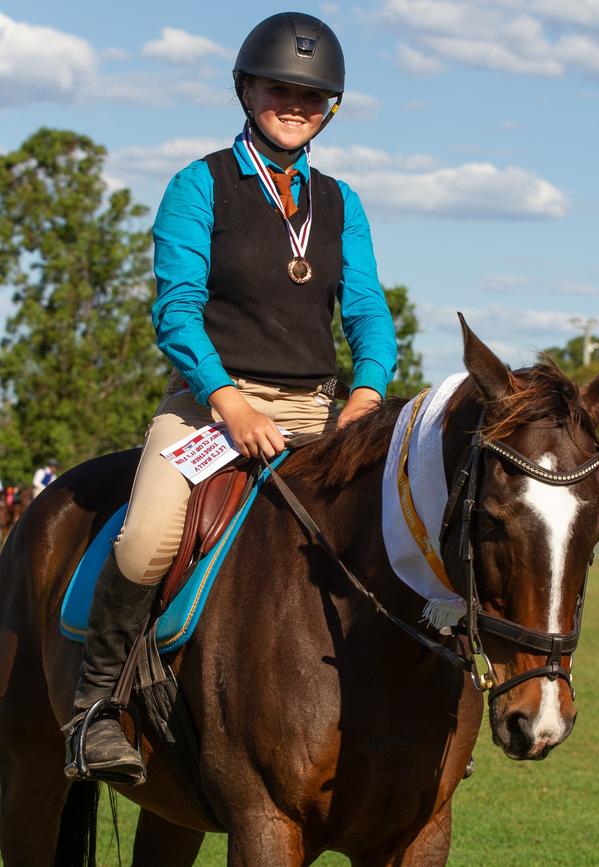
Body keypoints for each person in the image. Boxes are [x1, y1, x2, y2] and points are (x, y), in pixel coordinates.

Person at [64, 11, 397, 784]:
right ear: (246, 89)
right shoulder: (199, 184)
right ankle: (95, 712)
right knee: (147, 536)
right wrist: (227, 399)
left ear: (330, 110)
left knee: (394, 533)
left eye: (312, 97)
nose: (295, 104)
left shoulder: (340, 202)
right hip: (213, 404)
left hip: (320, 409)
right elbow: (175, 306)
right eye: (280, 88)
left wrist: (368, 391)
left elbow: (368, 310)